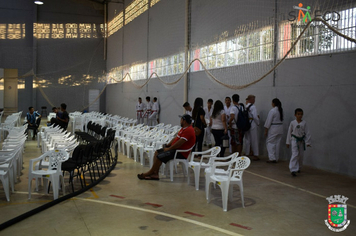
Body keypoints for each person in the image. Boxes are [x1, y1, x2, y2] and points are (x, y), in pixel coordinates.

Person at [137, 114, 196, 180]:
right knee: (157, 152)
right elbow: (176, 138)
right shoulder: (183, 129)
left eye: (181, 119)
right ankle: (155, 174)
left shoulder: (189, 130)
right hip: (175, 150)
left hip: (180, 153)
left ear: (184, 121)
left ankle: (148, 173)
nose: (180, 121)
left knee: (160, 157)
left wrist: (169, 148)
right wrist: (168, 144)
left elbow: (179, 143)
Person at [286, 108, 311, 176]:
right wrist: (288, 142)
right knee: (295, 154)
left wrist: (307, 142)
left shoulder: (304, 123)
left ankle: (299, 167)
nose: (300, 115)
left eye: (301, 114)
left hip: (301, 141)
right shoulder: (292, 123)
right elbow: (289, 132)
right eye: (298, 114)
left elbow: (307, 133)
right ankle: (293, 169)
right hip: (294, 139)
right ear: (295, 115)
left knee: (301, 155)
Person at [264, 98, 284, 163]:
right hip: (280, 128)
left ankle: (272, 158)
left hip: (274, 128)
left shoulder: (273, 111)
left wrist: (266, 129)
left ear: (273, 103)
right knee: (277, 143)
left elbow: (268, 121)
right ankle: (276, 157)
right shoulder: (280, 110)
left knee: (270, 142)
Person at [244, 95, 260, 161]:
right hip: (252, 123)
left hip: (246, 123)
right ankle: (255, 155)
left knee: (247, 139)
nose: (254, 100)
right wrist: (258, 123)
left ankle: (247, 153)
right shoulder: (253, 107)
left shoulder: (246, 106)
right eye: (253, 99)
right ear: (251, 99)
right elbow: (255, 117)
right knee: (254, 140)